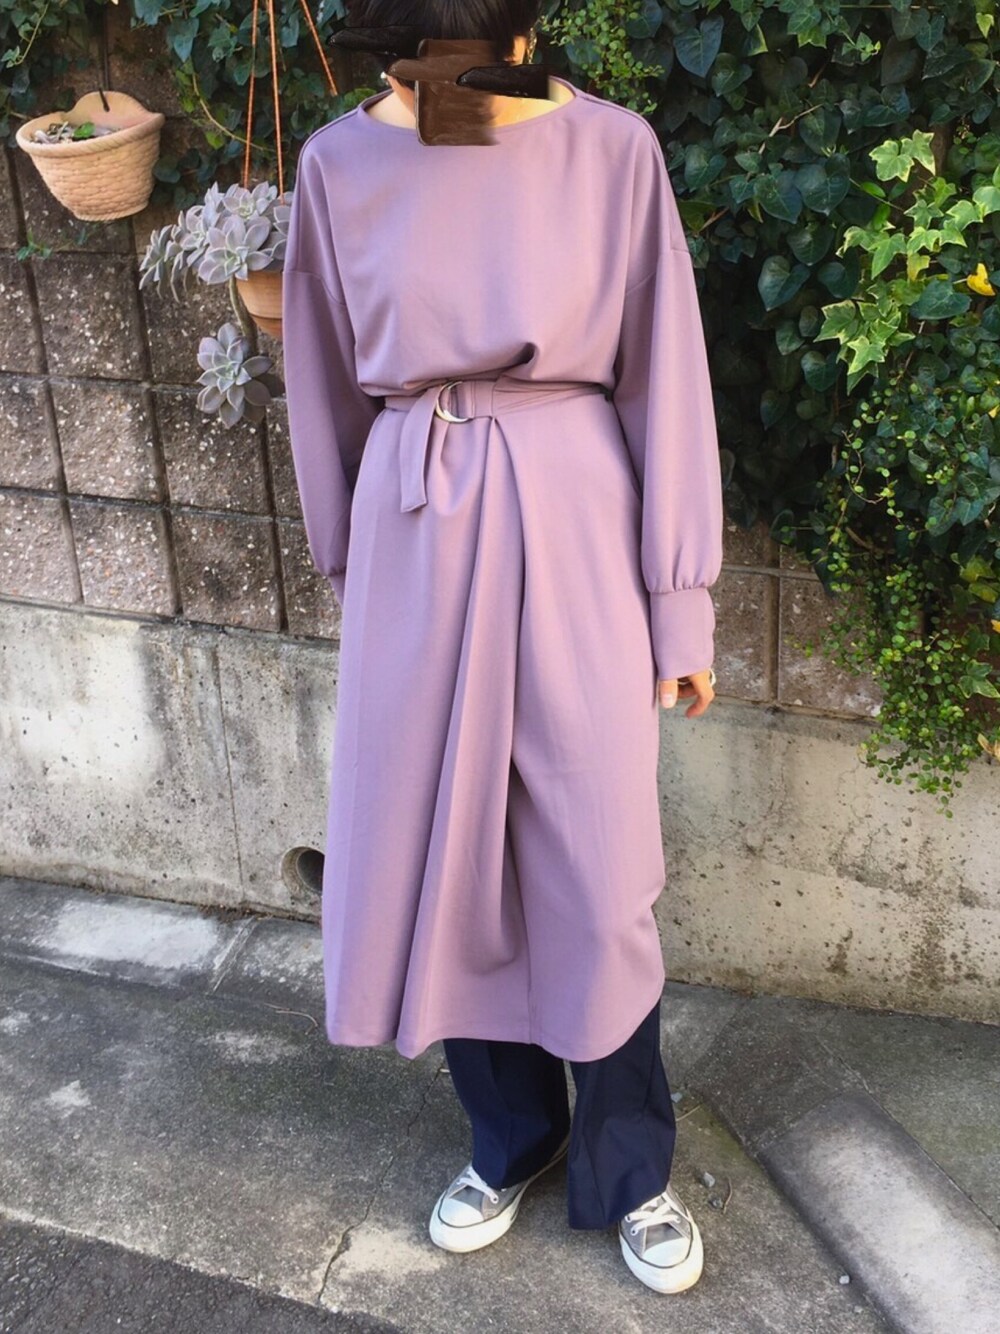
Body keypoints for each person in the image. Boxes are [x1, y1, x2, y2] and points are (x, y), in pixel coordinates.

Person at [281, 0, 723, 1296]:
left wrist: (679, 600)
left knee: (594, 857)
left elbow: (665, 375)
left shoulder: (612, 149)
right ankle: (512, 1135)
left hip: (575, 512)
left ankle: (631, 1164)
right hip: (417, 524)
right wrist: (359, 567)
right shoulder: (338, 163)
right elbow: (322, 374)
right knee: (442, 849)